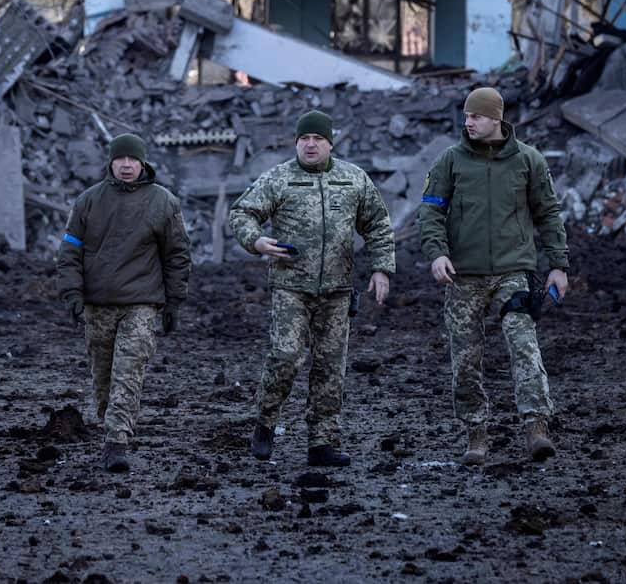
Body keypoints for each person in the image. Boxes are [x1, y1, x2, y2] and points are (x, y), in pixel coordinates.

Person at [229, 110, 395, 467]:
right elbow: (242, 213)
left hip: (337, 289)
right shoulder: (278, 177)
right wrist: (256, 241)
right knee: (286, 356)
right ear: (296, 142)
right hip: (291, 286)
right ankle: (266, 421)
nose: (310, 144)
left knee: (330, 367)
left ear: (330, 143)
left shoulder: (354, 179)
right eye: (304, 138)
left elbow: (378, 224)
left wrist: (382, 268)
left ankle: (322, 441)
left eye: (318, 138)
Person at [417, 87, 569, 465]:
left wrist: (558, 265)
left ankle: (536, 428)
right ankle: (476, 434)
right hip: (462, 277)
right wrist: (436, 254)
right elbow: (431, 213)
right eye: (466, 116)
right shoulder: (449, 162)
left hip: (513, 273)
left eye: (476, 117)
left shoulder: (528, 161)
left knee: (524, 346)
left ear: (496, 119)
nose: (468, 123)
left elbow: (548, 214)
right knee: (466, 359)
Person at [58, 133, 191, 473]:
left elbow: (177, 255)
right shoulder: (88, 201)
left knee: (128, 373)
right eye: (121, 160)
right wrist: (72, 293)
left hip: (141, 303)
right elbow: (70, 250)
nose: (127, 165)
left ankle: (117, 441)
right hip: (97, 304)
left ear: (143, 162)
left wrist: (173, 302)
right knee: (102, 377)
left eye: (133, 160)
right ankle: (111, 421)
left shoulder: (163, 202)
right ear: (111, 162)